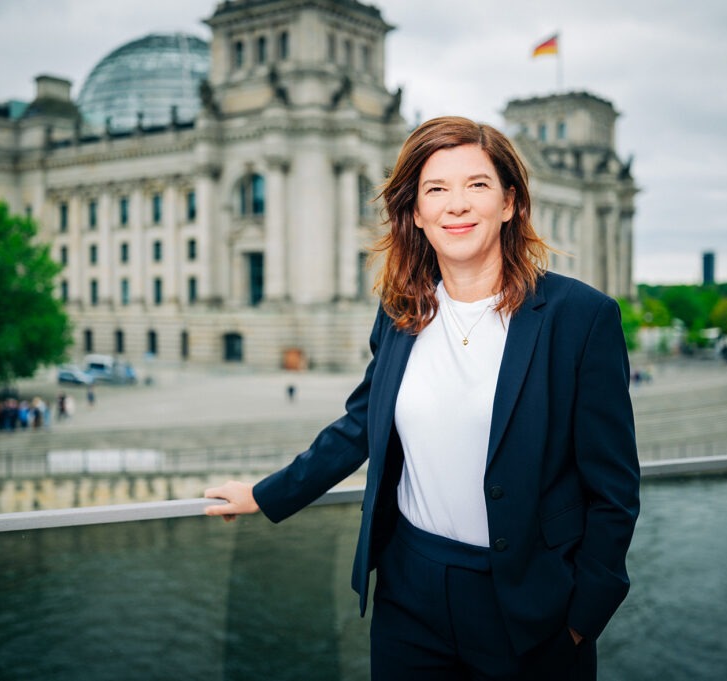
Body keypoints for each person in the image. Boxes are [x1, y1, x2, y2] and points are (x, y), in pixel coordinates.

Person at [205, 116, 640, 680]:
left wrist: (583, 618)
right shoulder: (400, 309)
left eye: (477, 185)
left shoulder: (581, 318)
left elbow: (614, 488)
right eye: (436, 189)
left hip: (529, 601)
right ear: (415, 212)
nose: (456, 205)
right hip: (410, 593)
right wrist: (267, 495)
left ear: (510, 203)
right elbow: (361, 425)